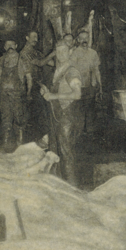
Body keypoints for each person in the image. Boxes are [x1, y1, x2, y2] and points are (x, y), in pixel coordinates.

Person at [41, 41, 83, 185]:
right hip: (57, 115)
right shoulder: (59, 70)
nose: (61, 54)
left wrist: (54, 96)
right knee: (54, 150)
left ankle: (72, 188)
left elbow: (77, 94)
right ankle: (57, 185)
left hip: (67, 116)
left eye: (64, 51)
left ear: (69, 52)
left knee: (66, 154)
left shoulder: (71, 71)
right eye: (58, 52)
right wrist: (47, 91)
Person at [0, 39, 30, 150]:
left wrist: (28, 92)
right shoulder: (2, 59)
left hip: (18, 94)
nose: (10, 46)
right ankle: (5, 144)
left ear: (16, 45)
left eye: (12, 44)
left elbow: (29, 77)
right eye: (7, 44)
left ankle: (20, 144)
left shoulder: (22, 59)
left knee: (19, 119)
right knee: (5, 118)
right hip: (4, 95)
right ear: (4, 47)